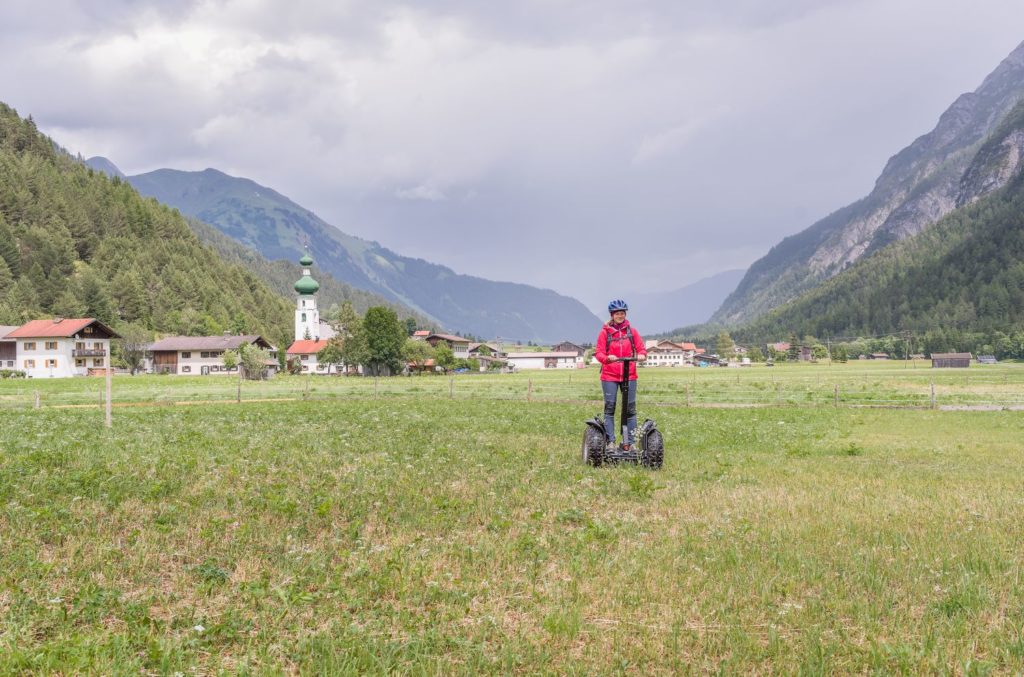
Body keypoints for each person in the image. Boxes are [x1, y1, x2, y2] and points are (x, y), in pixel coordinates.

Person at [594, 299, 647, 450]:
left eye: (622, 313)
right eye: (617, 313)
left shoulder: (632, 332)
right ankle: (610, 442)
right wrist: (606, 358)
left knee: (630, 409)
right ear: (612, 315)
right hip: (609, 376)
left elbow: (641, 349)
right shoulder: (605, 333)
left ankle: (630, 444)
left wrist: (642, 355)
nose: (620, 315)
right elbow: (599, 353)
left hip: (629, 374)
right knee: (610, 408)